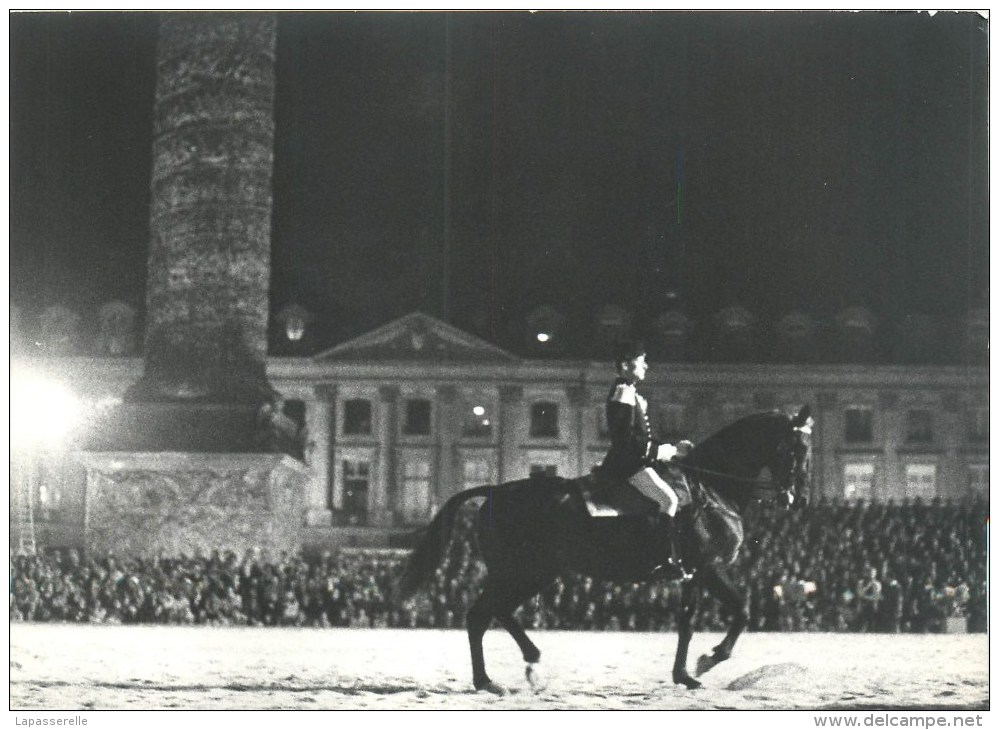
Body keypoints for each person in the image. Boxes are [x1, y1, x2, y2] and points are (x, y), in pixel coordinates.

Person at [600, 339, 691, 581]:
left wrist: (672, 448)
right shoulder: (623, 391)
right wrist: (665, 452)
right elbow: (626, 439)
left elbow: (641, 437)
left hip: (636, 460)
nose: (646, 367)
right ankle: (662, 561)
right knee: (668, 500)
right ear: (626, 365)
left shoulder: (630, 391)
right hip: (628, 464)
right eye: (642, 362)